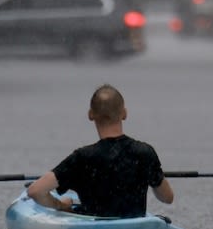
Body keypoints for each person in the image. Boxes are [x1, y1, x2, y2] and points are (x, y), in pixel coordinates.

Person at [27, 84, 175, 218]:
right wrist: (154, 176)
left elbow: (35, 191)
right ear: (124, 114)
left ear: (91, 115)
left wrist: (60, 205)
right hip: (133, 227)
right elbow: (167, 198)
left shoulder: (82, 158)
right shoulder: (144, 153)